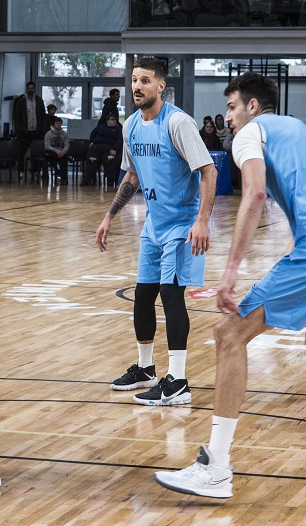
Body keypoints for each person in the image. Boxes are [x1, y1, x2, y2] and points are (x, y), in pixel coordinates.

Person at [154, 71, 306, 498]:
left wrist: (230, 272)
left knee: (229, 332)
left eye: (232, 107)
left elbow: (252, 196)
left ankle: (215, 468)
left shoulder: (253, 133)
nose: (228, 117)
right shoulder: (304, 132)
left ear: (252, 107)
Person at [96, 57, 217, 406]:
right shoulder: (130, 125)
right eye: (134, 80)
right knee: (143, 294)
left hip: (182, 224)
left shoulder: (177, 123)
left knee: (170, 293)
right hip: (153, 225)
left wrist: (203, 221)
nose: (137, 86)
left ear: (160, 86)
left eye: (145, 81)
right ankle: (146, 369)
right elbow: (132, 176)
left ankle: (177, 381)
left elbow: (208, 172)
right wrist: (109, 216)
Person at [13, 80, 46, 177]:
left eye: (32, 88)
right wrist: (19, 129)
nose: (30, 90)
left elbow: (43, 115)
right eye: (29, 88)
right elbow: (16, 116)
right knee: (21, 152)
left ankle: (35, 170)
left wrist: (42, 129)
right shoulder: (21, 101)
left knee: (37, 152)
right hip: (24, 131)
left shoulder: (39, 100)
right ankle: (21, 171)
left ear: (34, 89)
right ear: (26, 89)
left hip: (36, 131)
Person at [83, 113, 123, 186]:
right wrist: (91, 141)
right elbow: (93, 133)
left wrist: (114, 148)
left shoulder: (118, 129)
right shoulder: (101, 127)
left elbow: (119, 140)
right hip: (97, 146)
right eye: (112, 120)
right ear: (107, 121)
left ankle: (110, 181)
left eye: (115, 120)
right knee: (91, 161)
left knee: (109, 161)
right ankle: (87, 180)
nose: (114, 121)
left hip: (109, 148)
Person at [43, 116, 70, 184]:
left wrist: (63, 152)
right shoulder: (48, 134)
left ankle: (63, 179)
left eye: (60, 123)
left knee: (63, 158)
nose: (59, 125)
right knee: (52, 155)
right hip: (51, 151)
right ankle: (57, 173)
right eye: (57, 123)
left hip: (61, 152)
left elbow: (67, 144)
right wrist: (56, 151)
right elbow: (47, 146)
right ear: (53, 124)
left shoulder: (64, 134)